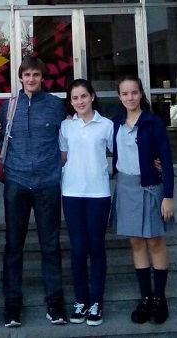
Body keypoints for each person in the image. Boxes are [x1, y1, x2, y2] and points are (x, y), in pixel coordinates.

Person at [0, 56, 67, 328]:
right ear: (20, 77)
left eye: (36, 74)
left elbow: (68, 137)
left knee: (50, 245)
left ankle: (55, 302)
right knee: (13, 246)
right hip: (16, 182)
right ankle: (12, 305)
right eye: (27, 74)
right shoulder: (8, 107)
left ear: (42, 77)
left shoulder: (55, 105)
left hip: (47, 183)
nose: (31, 79)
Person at [111, 75, 175, 326]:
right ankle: (146, 297)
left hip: (150, 187)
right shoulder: (115, 123)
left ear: (141, 94)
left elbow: (166, 159)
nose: (130, 97)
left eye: (134, 92)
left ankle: (160, 298)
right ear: (119, 97)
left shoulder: (153, 122)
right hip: (126, 187)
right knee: (136, 242)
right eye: (125, 93)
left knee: (155, 241)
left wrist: (168, 195)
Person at [59, 78, 113, 327]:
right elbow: (63, 157)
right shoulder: (65, 126)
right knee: (78, 248)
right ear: (70, 102)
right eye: (75, 98)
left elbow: (120, 153)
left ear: (92, 96)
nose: (80, 101)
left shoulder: (107, 125)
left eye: (83, 96)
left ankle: (96, 302)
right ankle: (81, 300)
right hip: (71, 193)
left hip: (98, 194)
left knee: (96, 247)